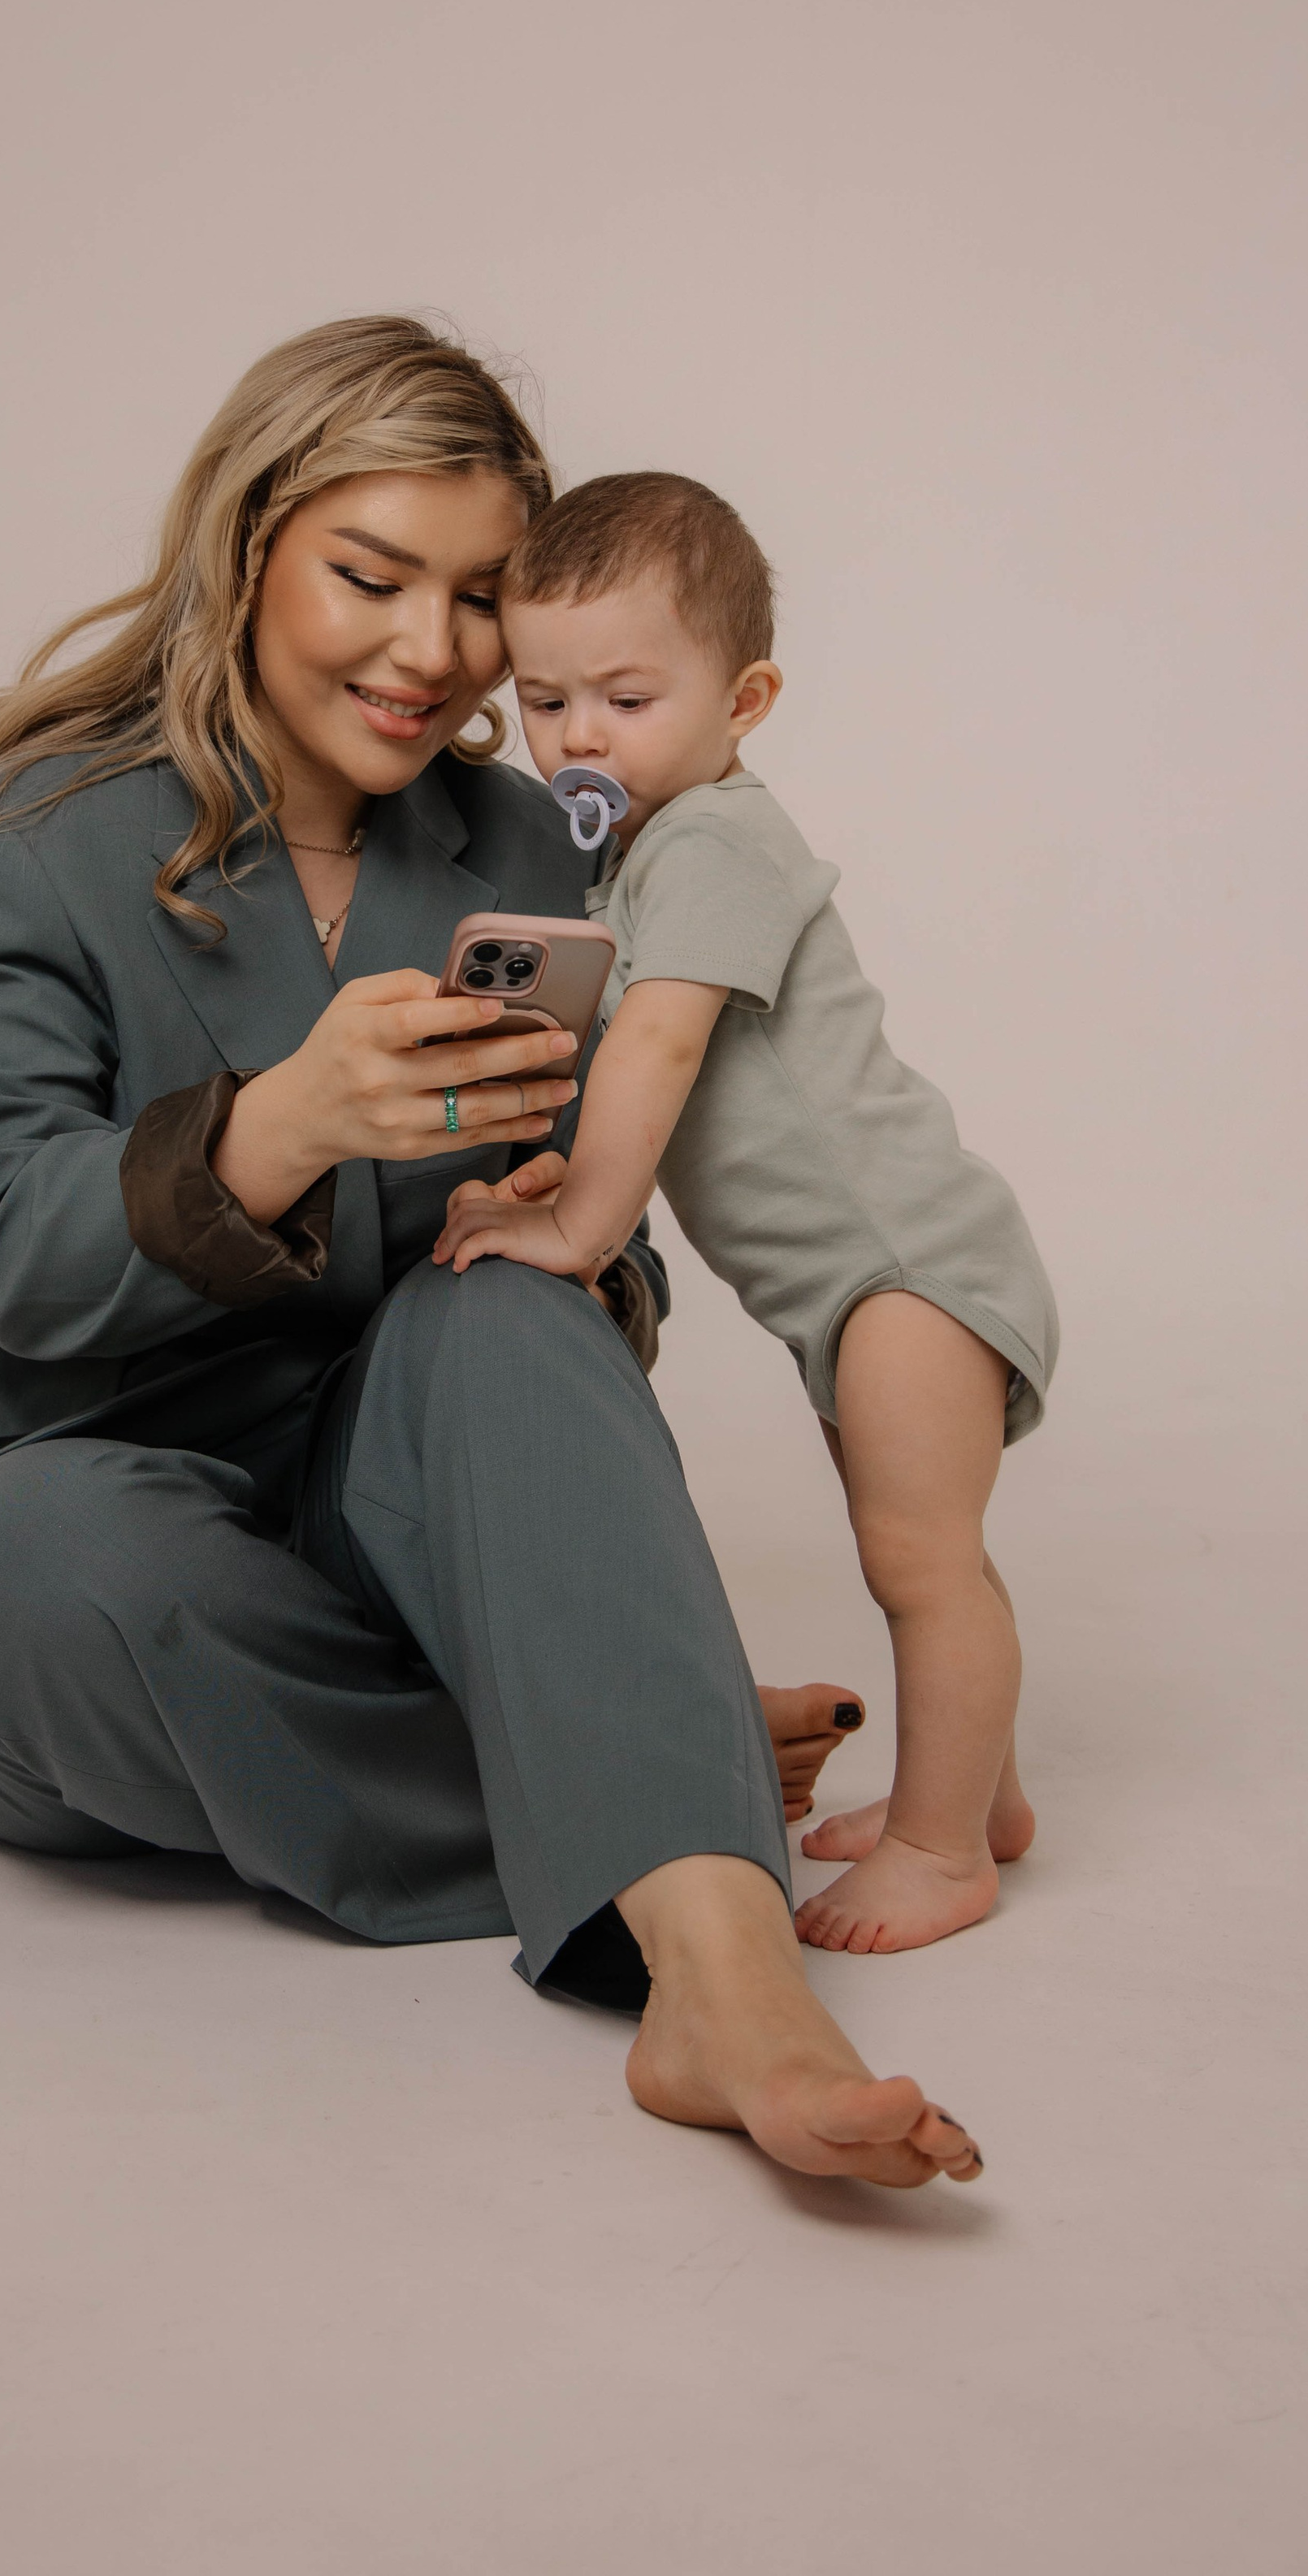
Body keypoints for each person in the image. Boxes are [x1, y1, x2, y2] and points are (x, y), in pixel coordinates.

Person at [0, 320, 982, 2187]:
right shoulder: (17, 846)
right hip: (86, 1512)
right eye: (370, 578)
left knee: (510, 1305)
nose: (431, 654)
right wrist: (283, 1121)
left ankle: (719, 1982)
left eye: (476, 602)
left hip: (406, 1510)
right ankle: (636, 1754)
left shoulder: (530, 836)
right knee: (42, 1561)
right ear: (246, 543)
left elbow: (600, 1239)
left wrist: (555, 1243)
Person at [439, 472, 1058, 1952]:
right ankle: (986, 1802)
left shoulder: (713, 841)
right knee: (918, 1551)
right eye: (547, 702)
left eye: (628, 698)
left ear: (747, 695)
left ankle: (940, 1849)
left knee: (921, 1560)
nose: (582, 737)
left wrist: (584, 1228)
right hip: (850, 1288)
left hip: (906, 1265)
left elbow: (652, 1047)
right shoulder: (648, 850)